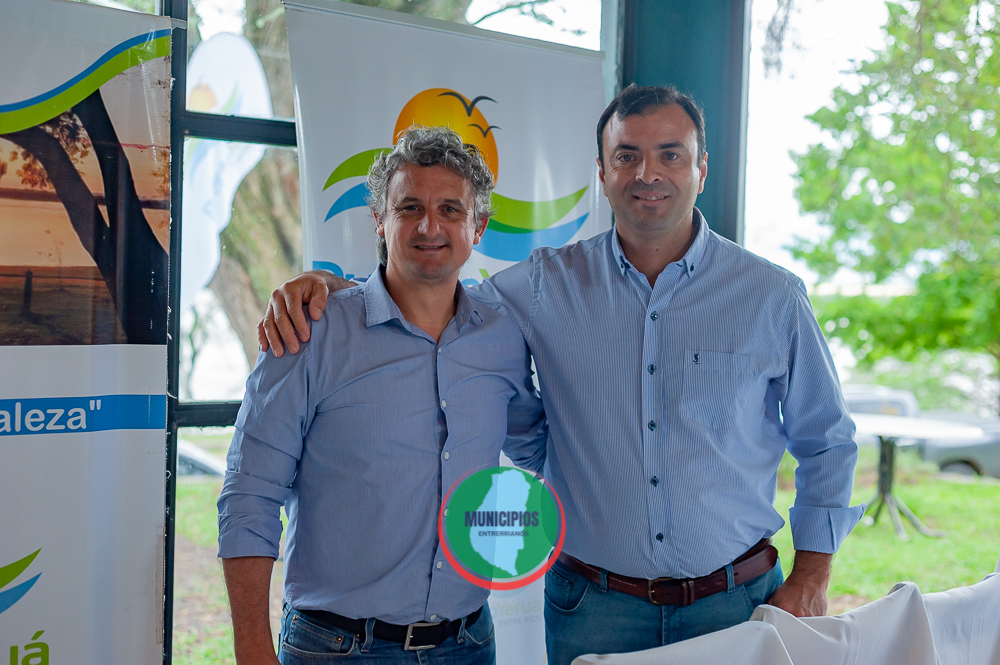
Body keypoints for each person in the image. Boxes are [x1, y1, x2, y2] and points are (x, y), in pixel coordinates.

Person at [258, 85, 865, 665]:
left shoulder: (772, 296)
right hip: (594, 610)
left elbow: (828, 441)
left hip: (737, 603)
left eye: (670, 155)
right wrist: (331, 290)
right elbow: (428, 285)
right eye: (626, 156)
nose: (647, 173)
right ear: (602, 172)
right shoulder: (541, 286)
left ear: (701, 169)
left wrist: (814, 573)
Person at [218, 126, 547, 665]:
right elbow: (250, 493)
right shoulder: (309, 333)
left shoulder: (503, 337)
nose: (429, 226)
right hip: (338, 648)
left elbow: (541, 446)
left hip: (468, 643)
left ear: (478, 227)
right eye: (409, 207)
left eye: (450, 210)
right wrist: (252, 647)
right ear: (379, 219)